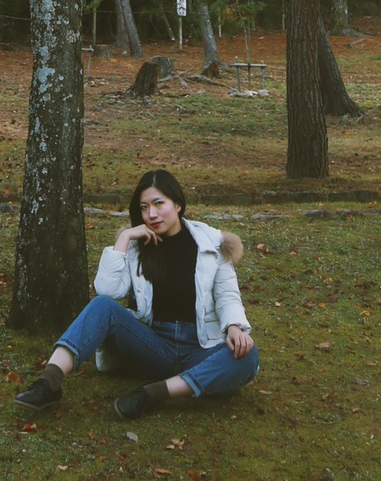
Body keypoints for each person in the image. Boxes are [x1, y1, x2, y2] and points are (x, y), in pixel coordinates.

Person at [16, 168, 258, 421]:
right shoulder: (136, 245)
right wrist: (124, 238)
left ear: (177, 203)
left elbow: (228, 294)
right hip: (153, 344)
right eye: (144, 207)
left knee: (247, 357)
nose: (151, 214)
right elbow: (107, 291)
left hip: (201, 347)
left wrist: (233, 326)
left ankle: (153, 393)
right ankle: (49, 383)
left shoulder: (211, 243)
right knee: (101, 306)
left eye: (158, 203)